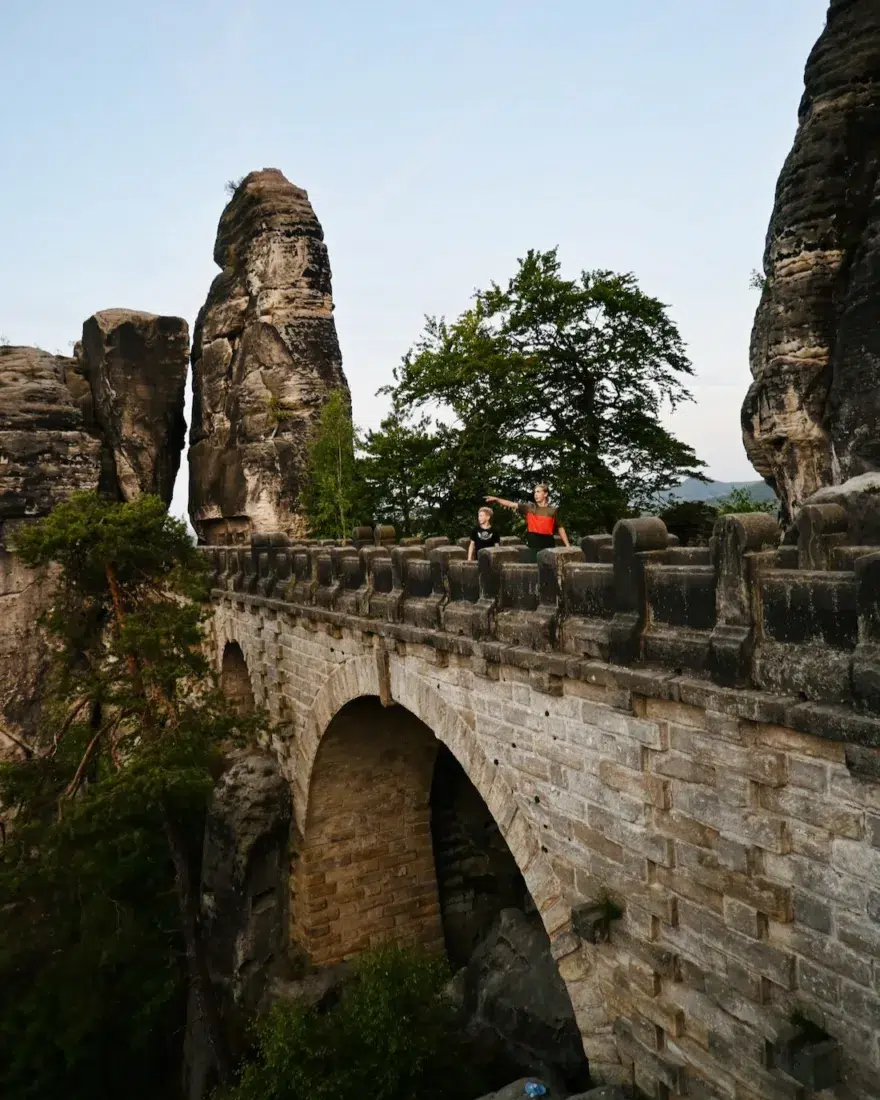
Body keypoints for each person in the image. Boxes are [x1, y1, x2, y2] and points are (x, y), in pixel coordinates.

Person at [485, 484, 569, 561]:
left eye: (538, 492)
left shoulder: (553, 510)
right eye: (535, 492)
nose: (535, 494)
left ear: (545, 494)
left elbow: (560, 528)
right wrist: (497, 499)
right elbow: (511, 504)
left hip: (548, 542)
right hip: (534, 541)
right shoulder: (529, 507)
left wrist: (567, 545)